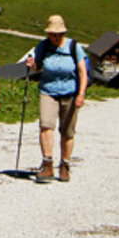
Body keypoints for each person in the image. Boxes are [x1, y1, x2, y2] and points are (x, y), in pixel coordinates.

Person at [23, 14, 88, 183]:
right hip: (48, 91)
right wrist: (32, 65)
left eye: (58, 34)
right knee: (46, 125)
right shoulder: (43, 46)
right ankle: (47, 164)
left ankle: (65, 165)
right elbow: (38, 67)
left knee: (67, 131)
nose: (55, 37)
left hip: (70, 92)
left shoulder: (74, 47)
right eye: (52, 34)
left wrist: (81, 94)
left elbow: (83, 72)